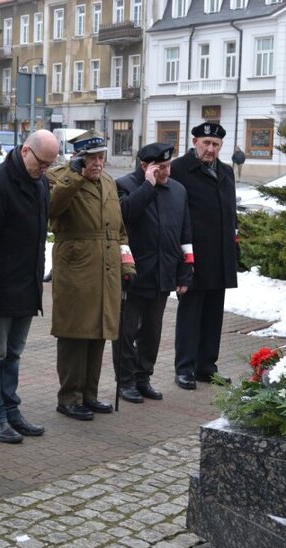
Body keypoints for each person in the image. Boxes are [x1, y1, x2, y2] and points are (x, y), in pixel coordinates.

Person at [0, 130, 56, 442]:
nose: (44, 170)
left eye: (50, 165)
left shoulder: (42, 183)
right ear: (25, 151)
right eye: (42, 163)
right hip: (1, 288)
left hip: (27, 286)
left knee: (14, 354)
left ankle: (11, 409)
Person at [47, 130, 134, 421]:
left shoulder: (108, 182)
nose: (98, 163)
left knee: (98, 331)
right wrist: (75, 177)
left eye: (101, 157)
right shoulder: (61, 177)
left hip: (106, 267)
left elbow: (120, 231)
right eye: (92, 158)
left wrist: (126, 264)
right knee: (75, 332)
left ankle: (89, 394)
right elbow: (52, 209)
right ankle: (69, 396)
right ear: (79, 157)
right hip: (77, 266)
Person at [114, 142, 193, 403]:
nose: (167, 171)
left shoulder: (178, 190)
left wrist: (185, 272)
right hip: (134, 273)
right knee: (126, 331)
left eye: (169, 165)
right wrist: (147, 186)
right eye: (161, 167)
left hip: (163, 272)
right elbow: (125, 216)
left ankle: (142, 377)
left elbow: (185, 233)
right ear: (146, 166)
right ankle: (125, 381)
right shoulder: (125, 185)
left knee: (152, 332)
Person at [170, 122, 239, 390]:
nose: (210, 149)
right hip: (192, 255)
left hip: (220, 254)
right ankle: (184, 367)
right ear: (195, 141)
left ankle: (206, 366)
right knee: (190, 313)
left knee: (213, 314)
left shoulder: (226, 172)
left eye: (216, 145)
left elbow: (231, 212)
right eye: (206, 143)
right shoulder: (178, 170)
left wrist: (234, 246)